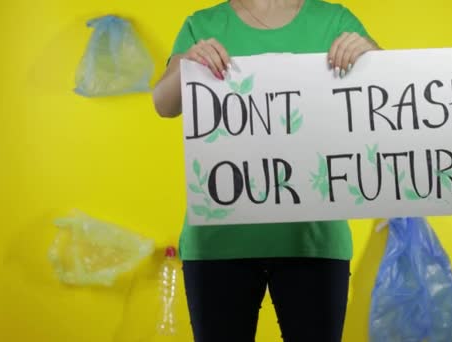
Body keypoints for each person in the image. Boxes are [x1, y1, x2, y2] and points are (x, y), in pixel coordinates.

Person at [152, 1, 380, 341]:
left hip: (313, 240)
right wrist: (188, 63)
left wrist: (371, 55)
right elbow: (164, 105)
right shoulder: (202, 24)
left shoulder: (334, 19)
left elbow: (387, 96)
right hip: (219, 242)